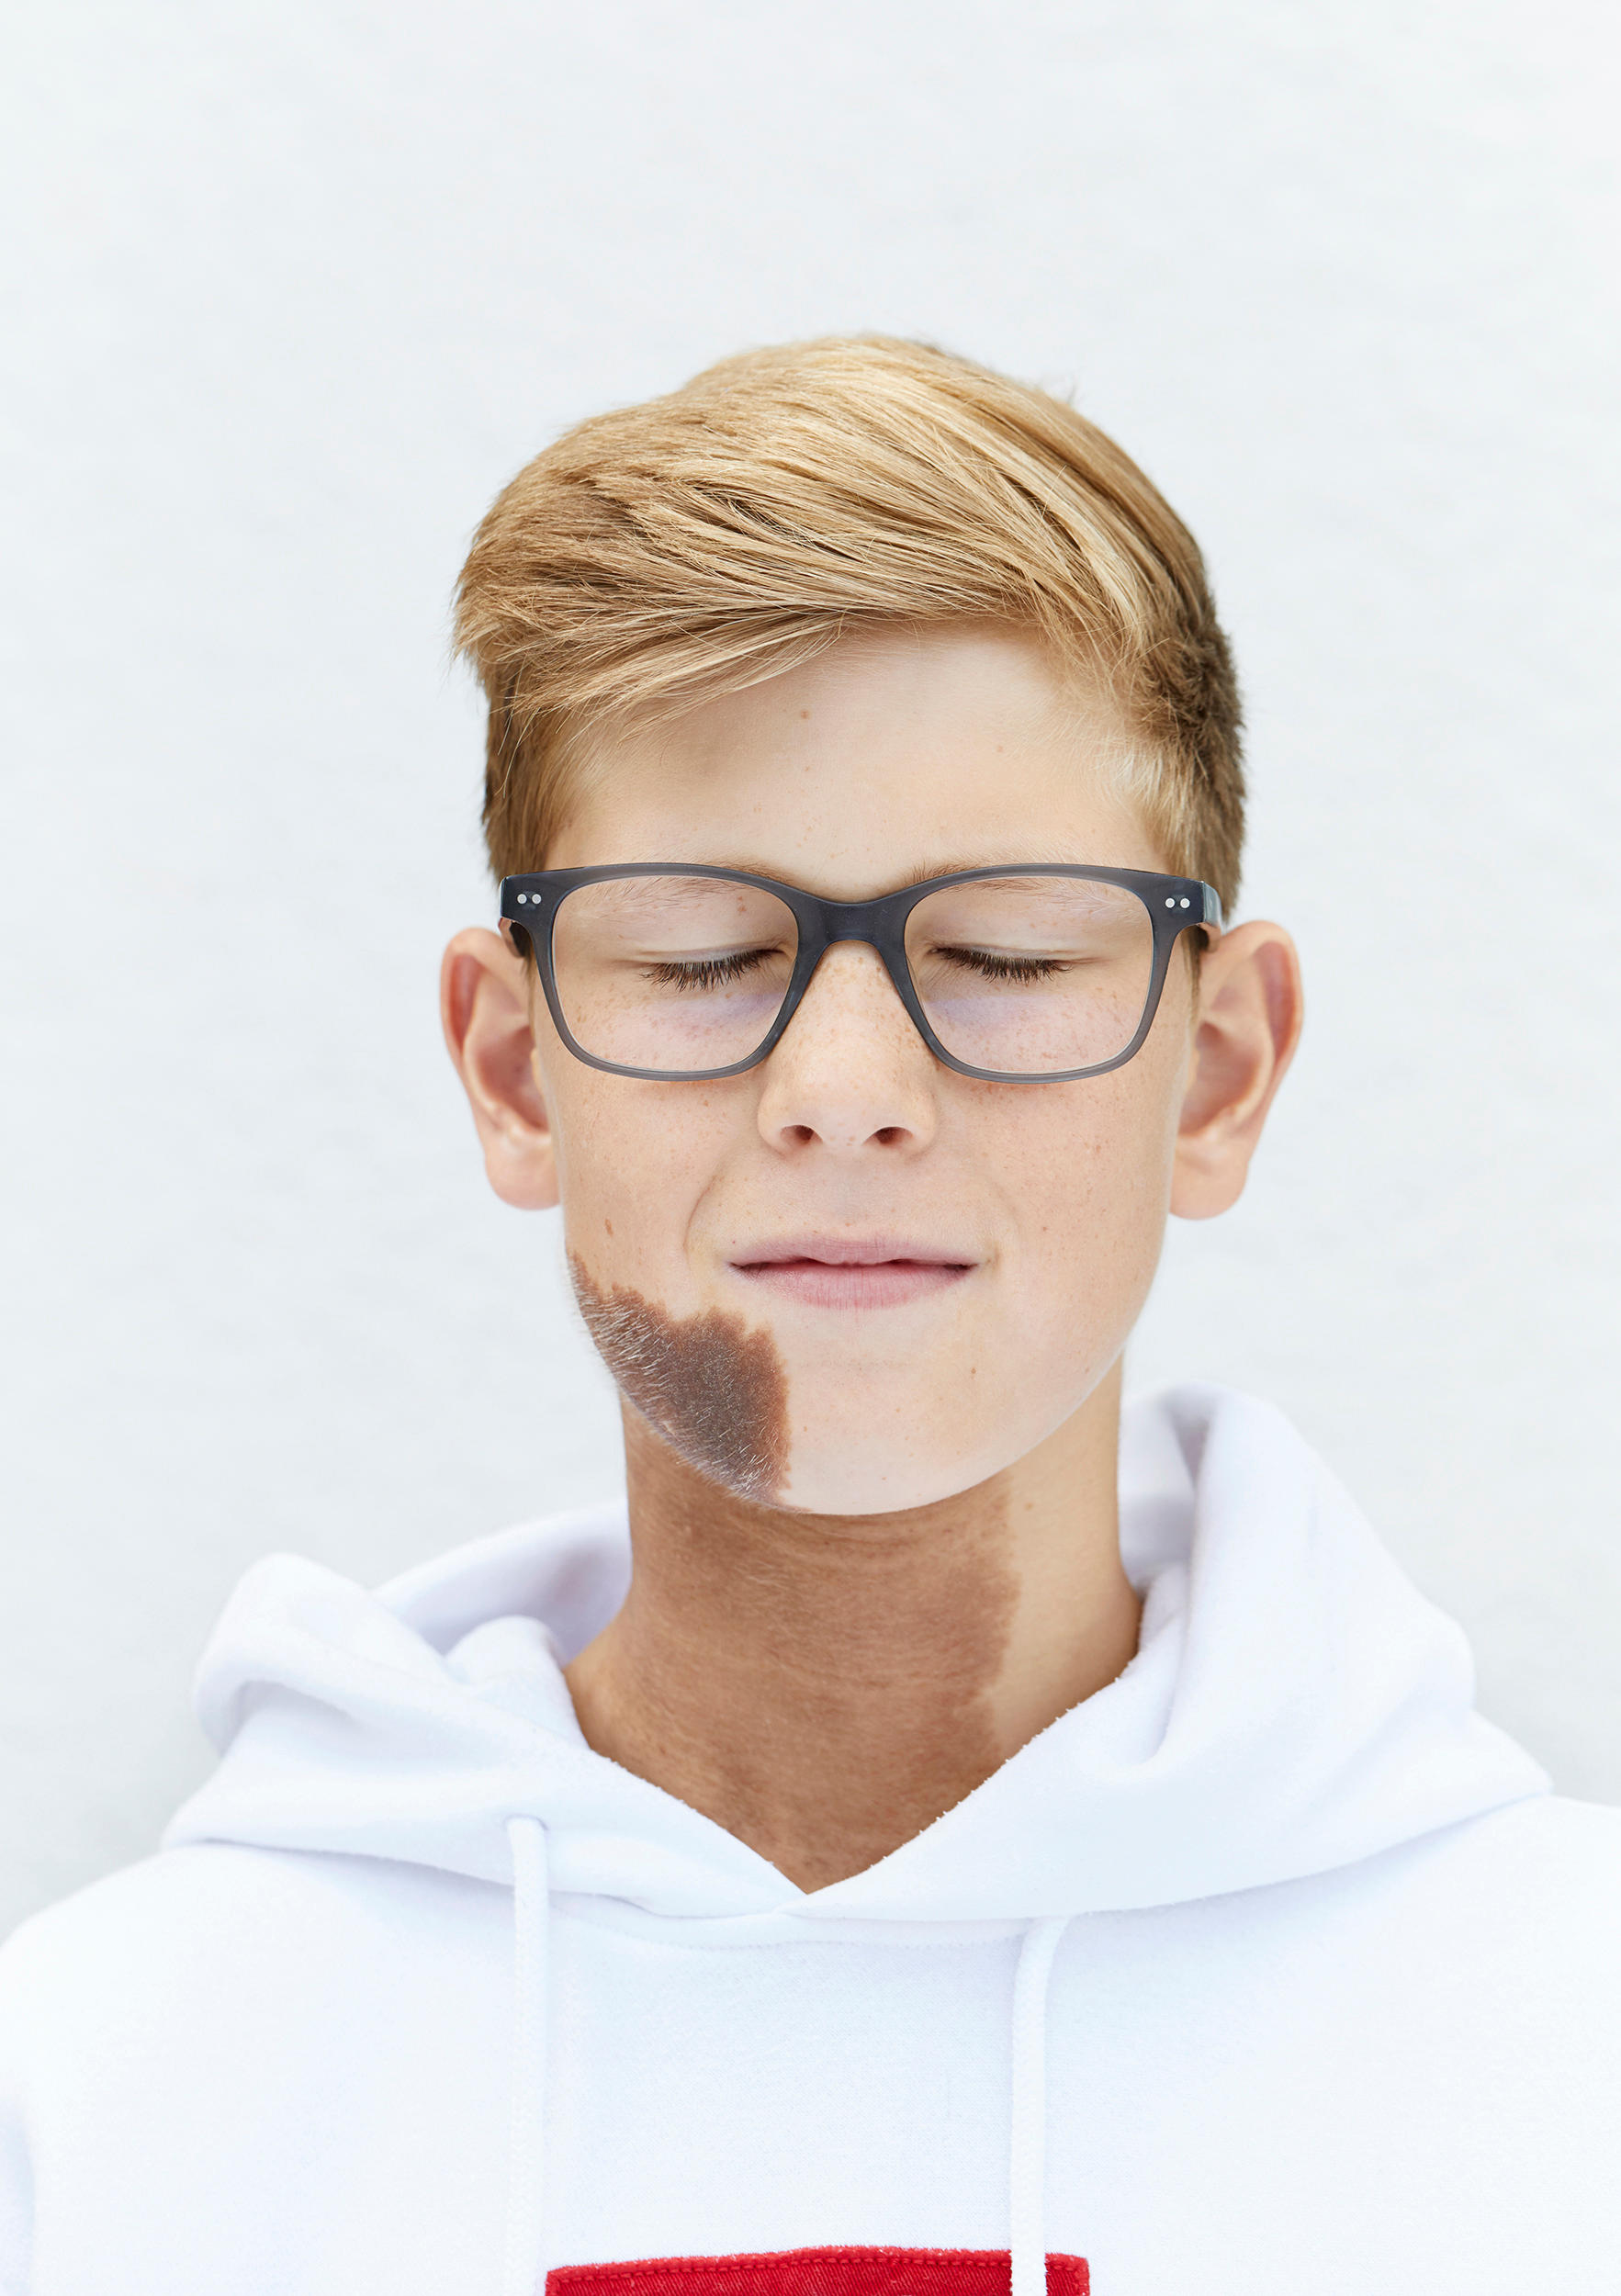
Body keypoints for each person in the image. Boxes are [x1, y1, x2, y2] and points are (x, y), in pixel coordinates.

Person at [0, 337, 1615, 2296]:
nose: (843, 1084)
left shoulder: (1562, 2057)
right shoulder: (90, 2103)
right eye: (702, 955)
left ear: (1217, 1076)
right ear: (515, 1072)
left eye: (1007, 949)